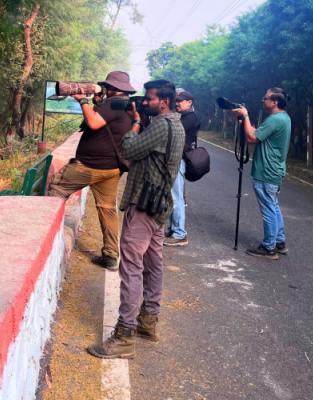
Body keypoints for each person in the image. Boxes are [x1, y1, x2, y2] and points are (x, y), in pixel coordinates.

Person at [87, 80, 185, 359]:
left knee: (130, 267)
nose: (145, 102)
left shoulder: (160, 126)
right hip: (159, 205)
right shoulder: (176, 125)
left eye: (150, 99)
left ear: (164, 102)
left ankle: (125, 336)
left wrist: (136, 122)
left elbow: (128, 150)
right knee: (154, 264)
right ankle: (148, 322)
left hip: (143, 205)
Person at [48, 71, 137, 271]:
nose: (103, 89)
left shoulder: (113, 103)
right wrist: (96, 104)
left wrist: (82, 101)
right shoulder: (124, 105)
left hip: (90, 166)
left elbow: (94, 122)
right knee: (107, 209)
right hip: (112, 168)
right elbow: (103, 123)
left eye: (106, 87)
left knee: (56, 188)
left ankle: (48, 241)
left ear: (113, 88)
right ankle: (111, 255)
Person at [231, 88, 291, 260]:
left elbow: (251, 138)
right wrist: (243, 121)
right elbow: (259, 133)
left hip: (266, 171)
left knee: (268, 210)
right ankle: (279, 242)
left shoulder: (274, 119)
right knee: (273, 206)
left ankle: (269, 248)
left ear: (274, 102)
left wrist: (247, 115)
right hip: (275, 171)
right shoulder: (283, 117)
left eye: (265, 98)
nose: (262, 100)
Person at [165, 90, 200, 247]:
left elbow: (171, 130)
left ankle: (179, 233)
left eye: (181, 101)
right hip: (174, 158)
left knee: (177, 198)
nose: (177, 103)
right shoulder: (183, 116)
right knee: (172, 197)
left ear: (190, 102)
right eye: (176, 101)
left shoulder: (190, 117)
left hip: (178, 160)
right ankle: (173, 229)